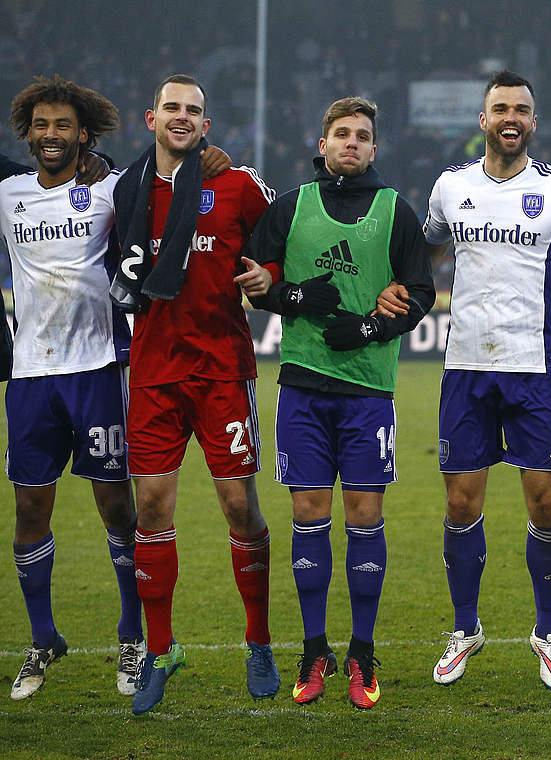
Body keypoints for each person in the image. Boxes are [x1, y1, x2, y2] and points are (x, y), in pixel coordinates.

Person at [405, 70, 551, 692]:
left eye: (522, 108)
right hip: (465, 367)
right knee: (461, 502)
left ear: (534, 122)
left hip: (534, 369)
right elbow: (424, 247)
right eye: (500, 109)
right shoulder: (450, 188)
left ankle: (546, 632)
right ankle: (465, 627)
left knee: (545, 502)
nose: (510, 117)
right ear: (483, 119)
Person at [245, 96, 434, 710]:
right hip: (302, 384)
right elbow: (255, 280)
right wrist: (295, 298)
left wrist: (373, 329)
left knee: (362, 518)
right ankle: (313, 648)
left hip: (368, 390)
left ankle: (361, 651)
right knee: (307, 515)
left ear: (374, 149)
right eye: (341, 134)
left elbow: (424, 292)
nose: (351, 143)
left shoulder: (395, 210)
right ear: (322, 144)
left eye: (362, 136)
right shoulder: (290, 206)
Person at [111, 74, 280, 715]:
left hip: (221, 370)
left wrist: (269, 276)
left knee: (240, 508)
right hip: (154, 371)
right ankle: (160, 650)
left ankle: (257, 641)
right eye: (172, 108)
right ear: (149, 118)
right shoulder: (123, 191)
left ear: (207, 126)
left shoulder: (236, 184)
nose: (183, 118)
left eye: (195, 111)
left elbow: (282, 248)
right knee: (150, 509)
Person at [1, 77, 143, 700]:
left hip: (98, 370)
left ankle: (132, 635)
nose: (50, 135)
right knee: (30, 508)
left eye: (62, 125)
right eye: (41, 125)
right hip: (31, 376)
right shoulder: (10, 193)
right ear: (27, 133)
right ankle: (43, 639)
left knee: (115, 506)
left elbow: (165, 174)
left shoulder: (111, 189)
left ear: (83, 132)